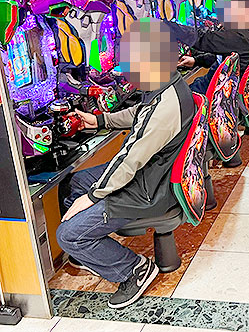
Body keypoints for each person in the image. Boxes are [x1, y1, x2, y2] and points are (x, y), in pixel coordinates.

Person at [56, 18, 196, 309]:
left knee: (67, 235)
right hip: (155, 174)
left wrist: (92, 197)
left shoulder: (163, 107)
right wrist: (101, 120)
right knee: (73, 182)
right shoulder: (168, 83)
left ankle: (134, 269)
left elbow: (129, 160)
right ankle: (92, 249)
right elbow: (140, 114)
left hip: (147, 191)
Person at [179, 0, 249, 94]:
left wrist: (170, 28)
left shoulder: (237, 36)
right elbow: (222, 55)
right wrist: (196, 61)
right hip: (222, 84)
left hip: (217, 91)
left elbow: (202, 39)